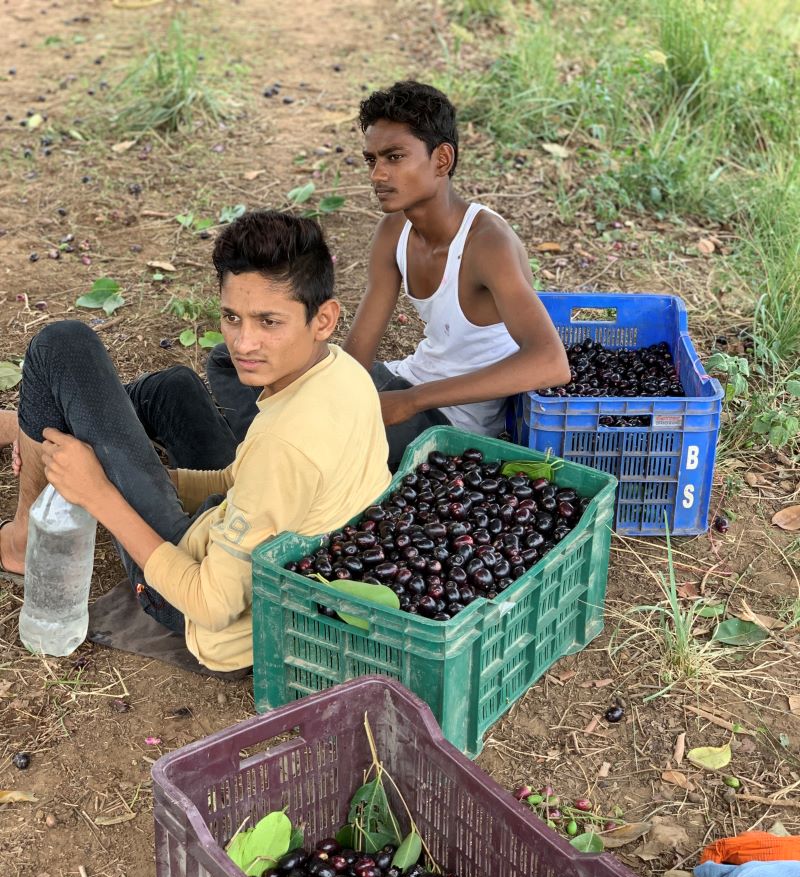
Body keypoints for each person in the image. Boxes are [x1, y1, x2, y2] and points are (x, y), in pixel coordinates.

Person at [0, 210, 391, 672]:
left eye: (269, 322)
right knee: (173, 390)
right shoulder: (342, 370)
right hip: (263, 535)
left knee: (62, 344)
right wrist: (150, 476)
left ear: (323, 319)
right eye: (232, 317)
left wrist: (100, 493)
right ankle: (43, 426)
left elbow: (211, 604)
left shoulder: (284, 449)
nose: (244, 343)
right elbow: (239, 479)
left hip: (208, 619)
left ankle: (24, 535)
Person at [199, 80, 571, 469]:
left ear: (442, 160)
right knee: (235, 357)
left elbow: (550, 362)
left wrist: (409, 402)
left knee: (324, 444)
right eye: (372, 160)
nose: (378, 174)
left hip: (448, 420)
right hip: (400, 381)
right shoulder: (395, 230)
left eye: (394, 157)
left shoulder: (487, 243)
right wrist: (330, 386)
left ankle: (264, 463)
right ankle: (266, 460)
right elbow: (359, 351)